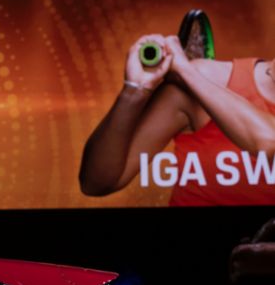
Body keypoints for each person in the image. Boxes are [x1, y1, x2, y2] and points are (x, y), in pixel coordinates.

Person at [80, 36, 274, 205]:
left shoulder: (193, 77)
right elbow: (96, 183)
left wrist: (186, 71)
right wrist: (134, 91)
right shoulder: (208, 78)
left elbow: (269, 142)